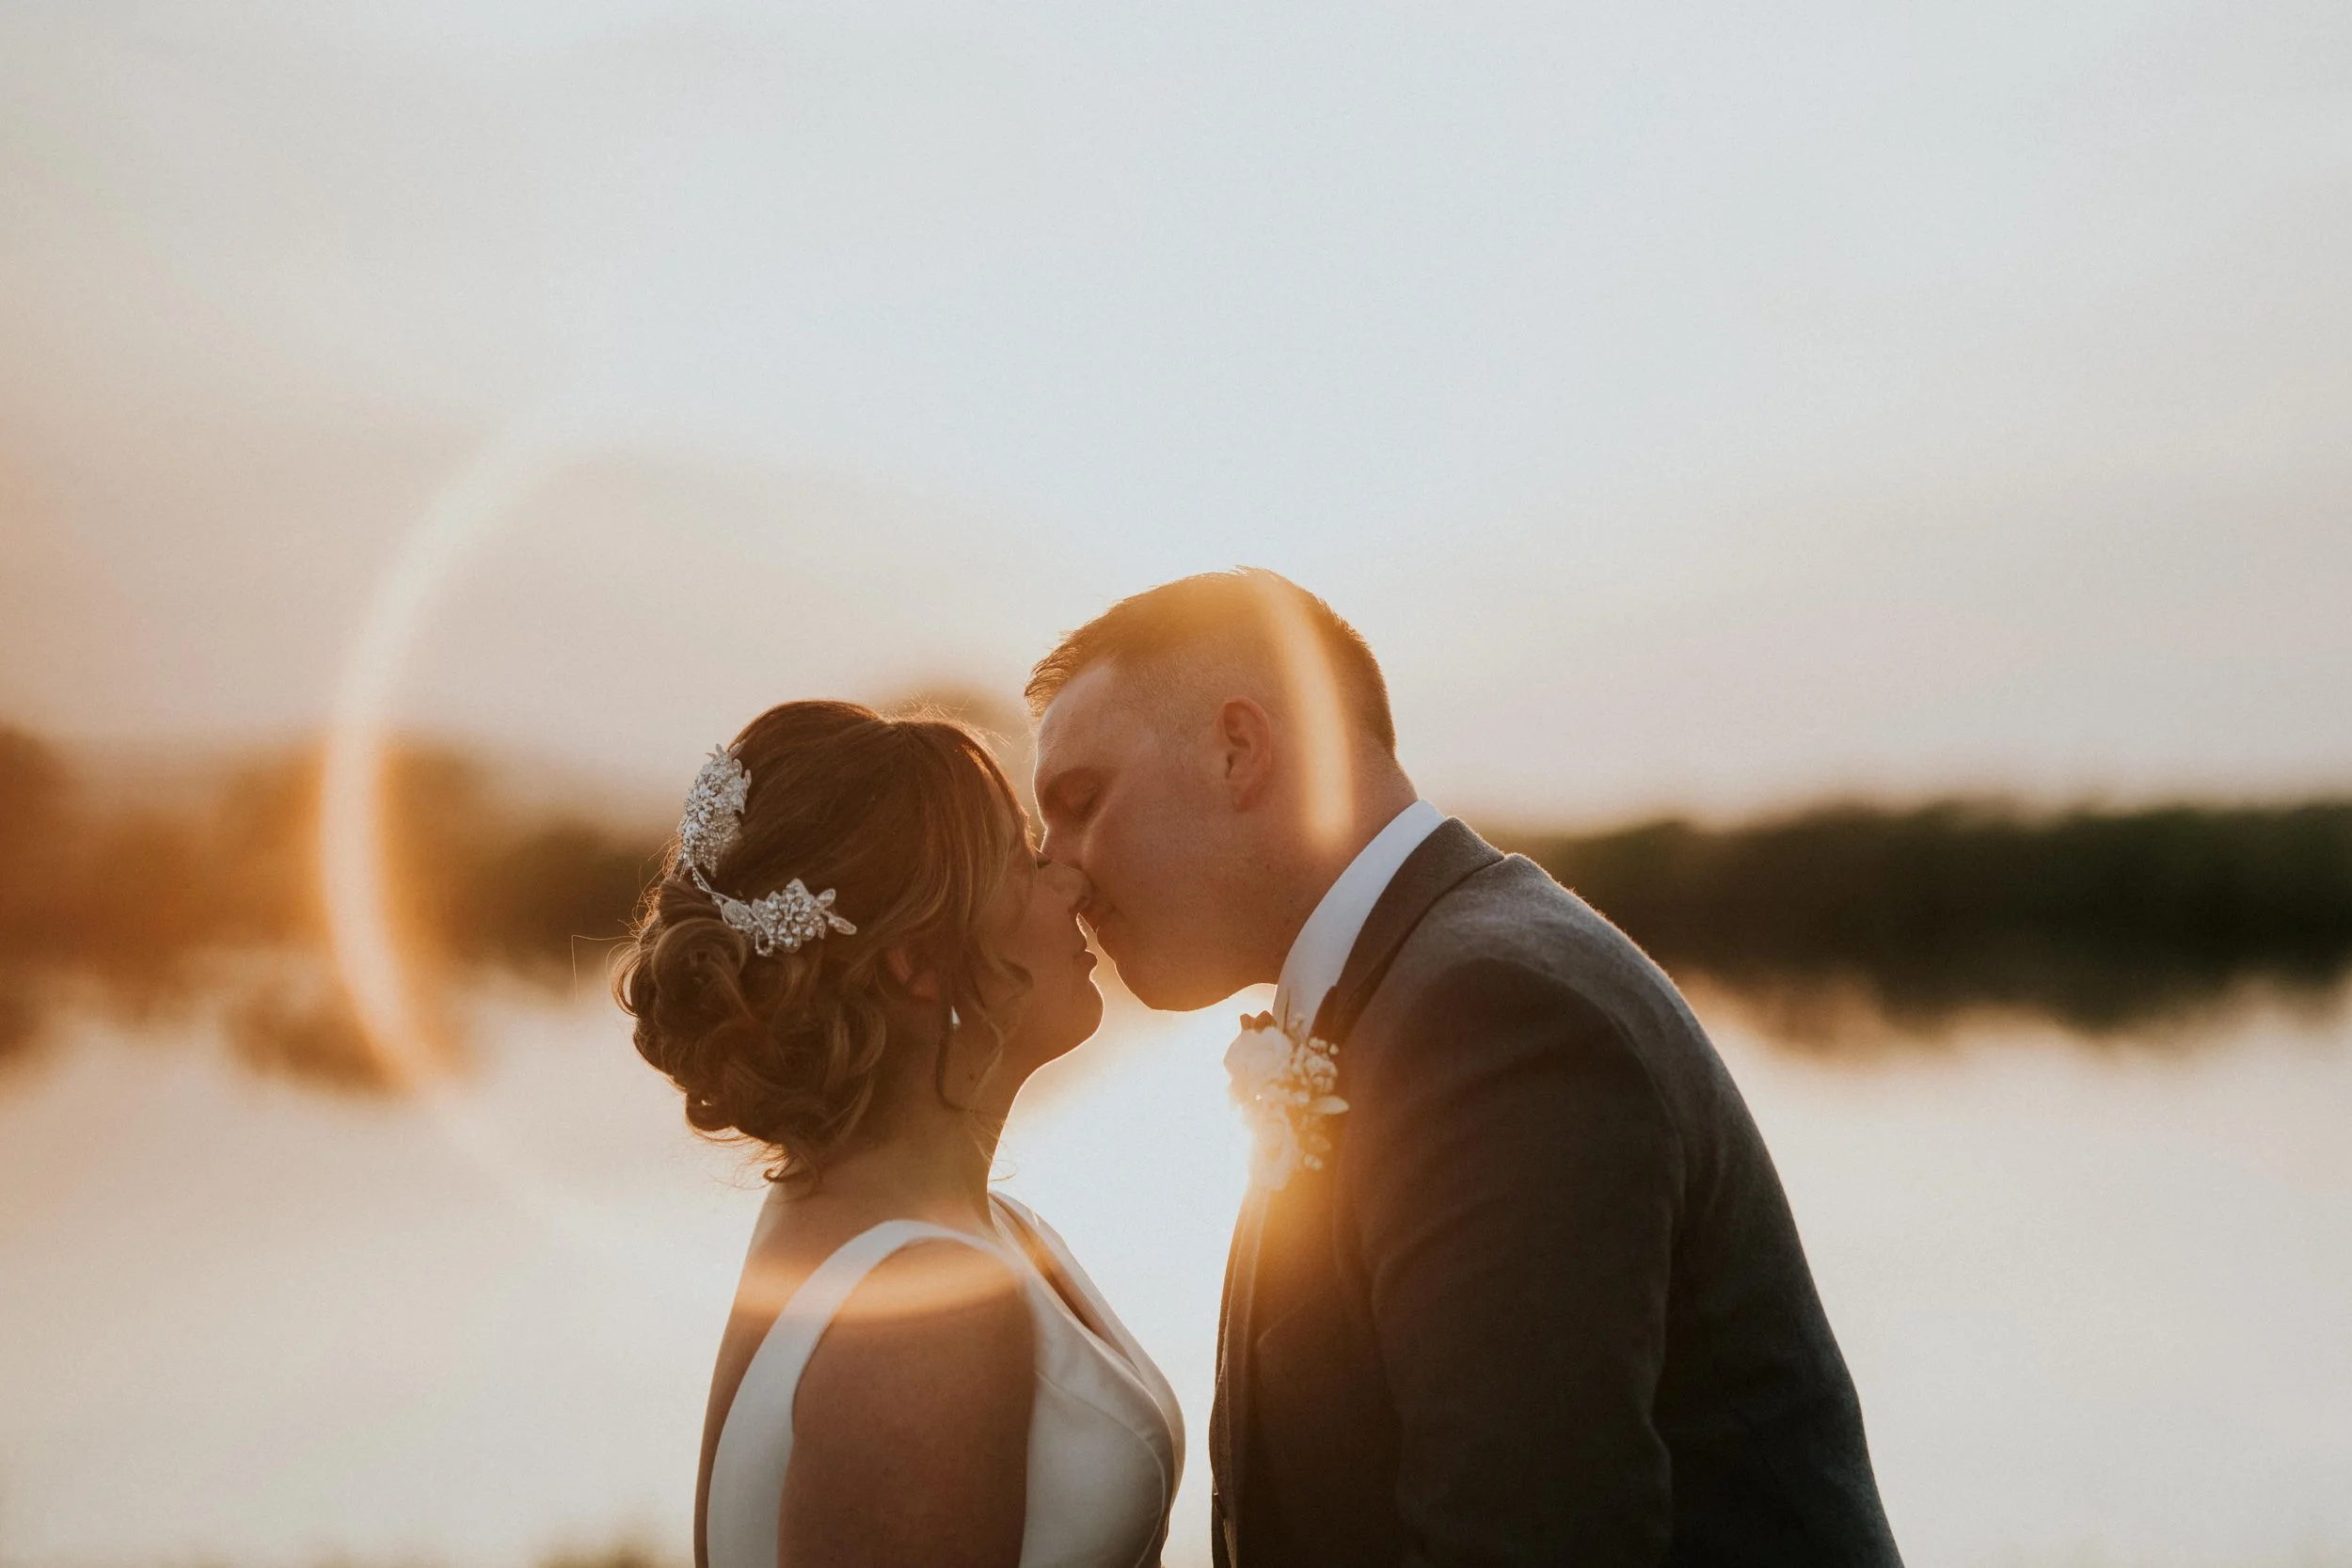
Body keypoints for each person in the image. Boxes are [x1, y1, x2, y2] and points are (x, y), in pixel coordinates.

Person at [1028, 569, 1903, 1568]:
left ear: (1239, 748)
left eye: (1080, 800)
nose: (1059, 867)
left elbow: (1528, 1537)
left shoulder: (1489, 1013)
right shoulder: (1426, 980)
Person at [618, 701, 1182, 1568]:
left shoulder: (908, 1218)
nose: (1067, 881)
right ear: (912, 962)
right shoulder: (925, 1308)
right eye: (1016, 860)